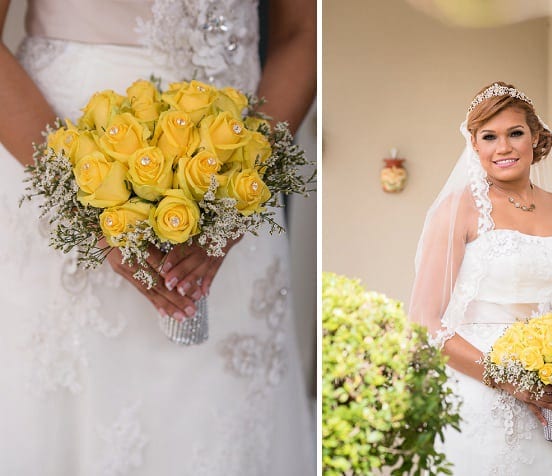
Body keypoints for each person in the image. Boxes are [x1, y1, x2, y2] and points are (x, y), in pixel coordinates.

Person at [0, 0, 316, 474]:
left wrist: (236, 198)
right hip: (58, 150)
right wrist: (89, 211)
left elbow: (304, 31)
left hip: (234, 164)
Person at [409, 82, 552, 475]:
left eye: (515, 133)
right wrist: (511, 382)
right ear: (474, 145)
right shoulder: (460, 209)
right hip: (479, 394)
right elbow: (425, 322)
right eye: (490, 137)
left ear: (535, 138)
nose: (503, 147)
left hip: (551, 401)